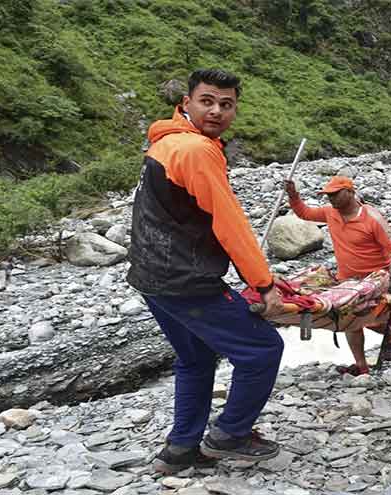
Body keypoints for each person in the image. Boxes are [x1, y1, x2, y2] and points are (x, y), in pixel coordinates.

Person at [127, 68, 286, 473]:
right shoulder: (197, 151)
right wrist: (262, 283)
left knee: (195, 359)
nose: (216, 111)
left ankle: (180, 450)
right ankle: (230, 433)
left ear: (235, 109)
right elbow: (228, 222)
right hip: (184, 279)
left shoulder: (166, 143)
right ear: (187, 104)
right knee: (263, 349)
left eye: (226, 104)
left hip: (151, 277)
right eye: (207, 101)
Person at [285, 176, 391, 376]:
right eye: (328, 196)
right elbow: (304, 213)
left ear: (350, 192)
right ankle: (361, 366)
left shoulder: (372, 219)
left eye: (335, 194)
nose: (331, 199)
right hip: (347, 279)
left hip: (374, 278)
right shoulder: (329, 213)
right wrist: (293, 195)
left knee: (359, 316)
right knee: (349, 320)